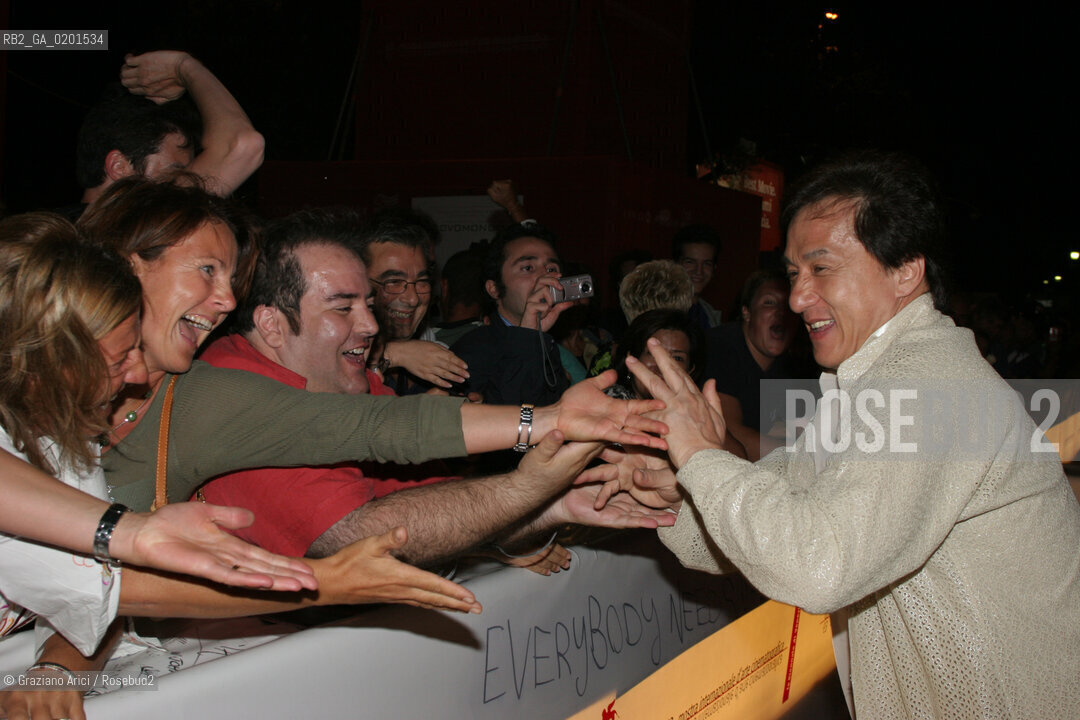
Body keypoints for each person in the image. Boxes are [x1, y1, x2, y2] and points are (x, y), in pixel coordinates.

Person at [603, 152, 1080, 718]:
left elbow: (815, 564)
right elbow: (782, 507)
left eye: (821, 268)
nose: (798, 297)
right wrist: (683, 495)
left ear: (906, 271)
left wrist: (703, 460)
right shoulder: (873, 381)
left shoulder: (928, 384)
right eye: (793, 273)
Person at [0, 219, 483, 720]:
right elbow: (115, 586)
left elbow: (93, 596)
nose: (139, 377)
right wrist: (320, 581)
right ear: (48, 351)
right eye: (122, 357)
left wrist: (56, 670)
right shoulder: (222, 389)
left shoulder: (64, 442)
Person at [75, 178, 666, 513]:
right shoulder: (29, 381)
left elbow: (384, 427)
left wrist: (551, 423)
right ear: (129, 265)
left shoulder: (202, 396)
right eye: (207, 270)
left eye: (230, 278)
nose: (225, 299)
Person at [196, 210, 673, 566]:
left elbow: (441, 495)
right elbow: (360, 538)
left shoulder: (346, 382)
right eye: (343, 308)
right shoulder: (239, 392)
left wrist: (555, 504)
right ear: (272, 324)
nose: (369, 324)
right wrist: (526, 487)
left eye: (367, 302)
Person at [76, 50, 264, 207]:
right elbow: (244, 145)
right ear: (119, 167)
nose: (191, 181)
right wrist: (185, 67)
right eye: (175, 173)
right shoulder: (128, 227)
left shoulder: (56, 234)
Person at [450, 222, 571, 406]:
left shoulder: (547, 343)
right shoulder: (471, 351)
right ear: (494, 289)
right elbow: (508, 417)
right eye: (528, 268)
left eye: (551, 269)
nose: (544, 277)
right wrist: (528, 338)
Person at [361, 207, 469, 394]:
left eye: (421, 281)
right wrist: (393, 354)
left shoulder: (432, 357)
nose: (412, 298)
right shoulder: (329, 356)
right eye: (394, 282)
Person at [704, 269, 806, 460]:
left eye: (788, 305)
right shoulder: (721, 347)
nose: (780, 312)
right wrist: (802, 458)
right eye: (769, 302)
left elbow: (805, 432)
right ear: (747, 312)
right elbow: (730, 437)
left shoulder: (798, 363)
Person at [672, 224, 723, 329]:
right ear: (676, 264)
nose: (698, 271)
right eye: (690, 262)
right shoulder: (659, 310)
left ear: (714, 268)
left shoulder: (709, 315)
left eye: (706, 264)